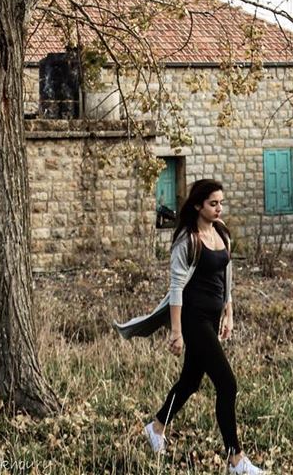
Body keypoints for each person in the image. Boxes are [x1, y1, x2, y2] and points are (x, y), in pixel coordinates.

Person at [114, 178, 264, 475]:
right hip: (193, 319)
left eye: (221, 202)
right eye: (213, 203)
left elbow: (227, 276)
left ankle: (156, 428)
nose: (219, 208)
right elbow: (176, 288)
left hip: (212, 317)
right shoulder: (188, 239)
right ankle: (236, 460)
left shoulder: (221, 232)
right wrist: (176, 331)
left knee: (191, 381)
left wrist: (229, 312)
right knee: (227, 384)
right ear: (198, 205)